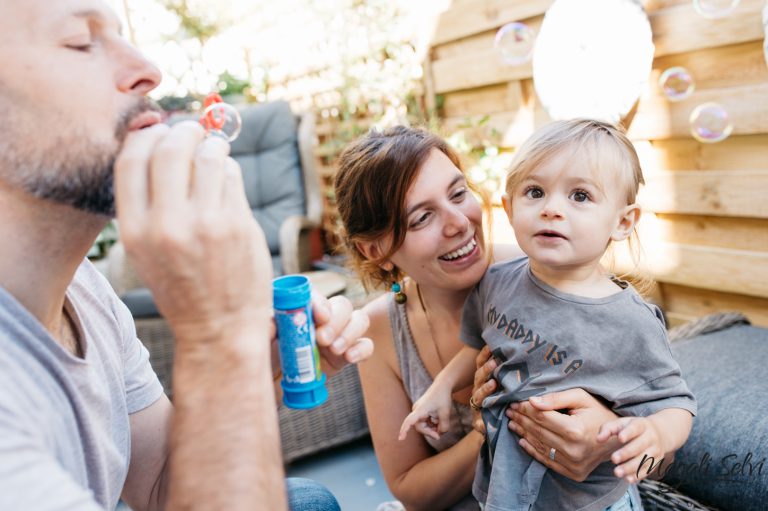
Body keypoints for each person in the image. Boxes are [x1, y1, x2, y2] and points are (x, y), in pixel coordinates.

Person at [0, 1, 372, 510]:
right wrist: (219, 338)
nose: (147, 70)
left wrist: (246, 364)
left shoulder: (84, 288)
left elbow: (157, 488)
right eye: (81, 40)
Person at [333, 126, 639, 511]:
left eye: (458, 194)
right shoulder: (381, 328)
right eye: (422, 217)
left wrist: (607, 433)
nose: (459, 222)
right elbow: (410, 489)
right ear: (375, 248)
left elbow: (652, 432)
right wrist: (490, 429)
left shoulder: (549, 267)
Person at [398, 119, 697, 511]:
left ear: (623, 222)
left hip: (591, 501)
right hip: (506, 487)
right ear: (508, 207)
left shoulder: (630, 321)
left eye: (580, 196)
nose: (552, 209)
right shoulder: (497, 282)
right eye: (535, 192)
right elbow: (479, 344)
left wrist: (656, 431)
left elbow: (676, 403)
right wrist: (439, 388)